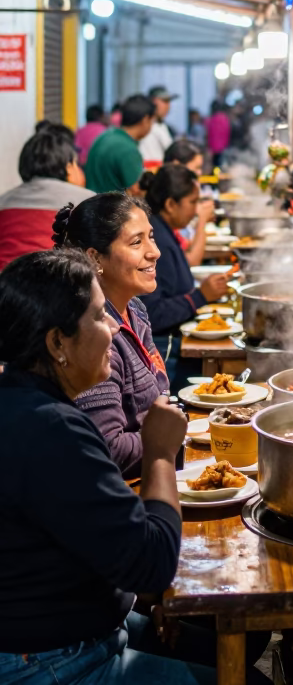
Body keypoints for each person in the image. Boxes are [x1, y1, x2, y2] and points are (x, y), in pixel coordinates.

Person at [0, 248, 187, 680]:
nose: (115, 327)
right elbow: (154, 564)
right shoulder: (51, 429)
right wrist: (159, 451)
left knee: (217, 638)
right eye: (101, 316)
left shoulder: (22, 399)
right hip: (51, 660)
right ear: (58, 343)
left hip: (81, 624)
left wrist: (133, 600)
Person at [54, 194, 169, 477]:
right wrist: (172, 436)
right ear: (95, 257)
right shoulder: (93, 334)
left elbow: (160, 394)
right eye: (136, 242)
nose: (154, 252)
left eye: (151, 237)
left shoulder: (135, 309)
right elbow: (109, 449)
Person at [140, 165, 230, 389]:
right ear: (171, 204)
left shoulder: (163, 230)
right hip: (165, 354)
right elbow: (153, 313)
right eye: (192, 202)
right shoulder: (157, 240)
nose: (196, 209)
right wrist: (200, 296)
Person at [0, 124, 93, 270]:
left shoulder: (3, 202)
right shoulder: (87, 201)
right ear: (68, 167)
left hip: (8, 279)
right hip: (63, 280)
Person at [86, 95, 155, 194]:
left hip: (91, 200)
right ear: (145, 120)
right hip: (111, 203)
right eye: (152, 121)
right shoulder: (127, 149)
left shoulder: (104, 136)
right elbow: (136, 191)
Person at [162, 140, 215, 265]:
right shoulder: (169, 204)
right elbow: (190, 261)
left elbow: (185, 243)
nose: (200, 173)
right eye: (197, 168)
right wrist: (202, 220)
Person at [138, 86, 178, 165]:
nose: (168, 106)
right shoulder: (141, 124)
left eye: (169, 102)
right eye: (165, 101)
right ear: (153, 101)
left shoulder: (164, 126)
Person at [205, 100, 231, 169]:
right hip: (223, 147)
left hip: (213, 148)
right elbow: (227, 133)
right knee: (220, 166)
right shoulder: (224, 118)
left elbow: (208, 134)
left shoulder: (210, 119)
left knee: (214, 166)